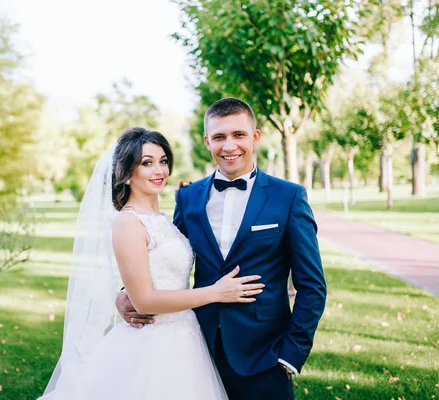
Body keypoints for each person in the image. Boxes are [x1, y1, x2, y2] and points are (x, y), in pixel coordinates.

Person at [116, 98, 327, 400]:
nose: (229, 146)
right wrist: (126, 292)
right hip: (198, 350)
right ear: (207, 141)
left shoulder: (289, 197)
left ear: (255, 137)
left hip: (265, 355)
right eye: (219, 137)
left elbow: (313, 286)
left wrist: (291, 354)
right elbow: (167, 250)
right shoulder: (189, 197)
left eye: (238, 135)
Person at [39, 127, 265, 400]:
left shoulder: (163, 218)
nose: (159, 170)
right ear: (127, 171)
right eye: (147, 163)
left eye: (163, 161)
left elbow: (155, 268)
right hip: (152, 343)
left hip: (186, 338)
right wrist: (216, 293)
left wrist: (124, 292)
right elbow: (144, 301)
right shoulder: (127, 222)